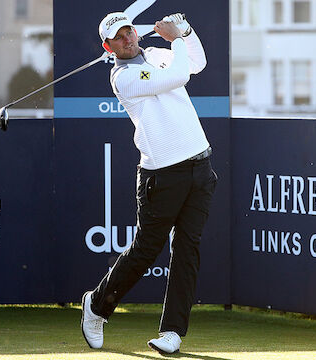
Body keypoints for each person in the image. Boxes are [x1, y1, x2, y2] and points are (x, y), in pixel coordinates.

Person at [81, 11, 217, 354]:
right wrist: (176, 39)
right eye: (119, 38)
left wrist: (186, 31)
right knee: (146, 250)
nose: (127, 39)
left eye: (129, 32)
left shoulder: (156, 55)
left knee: (188, 249)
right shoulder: (123, 77)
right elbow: (176, 77)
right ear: (108, 46)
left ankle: (172, 332)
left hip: (200, 166)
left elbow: (197, 62)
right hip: (162, 175)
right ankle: (97, 305)